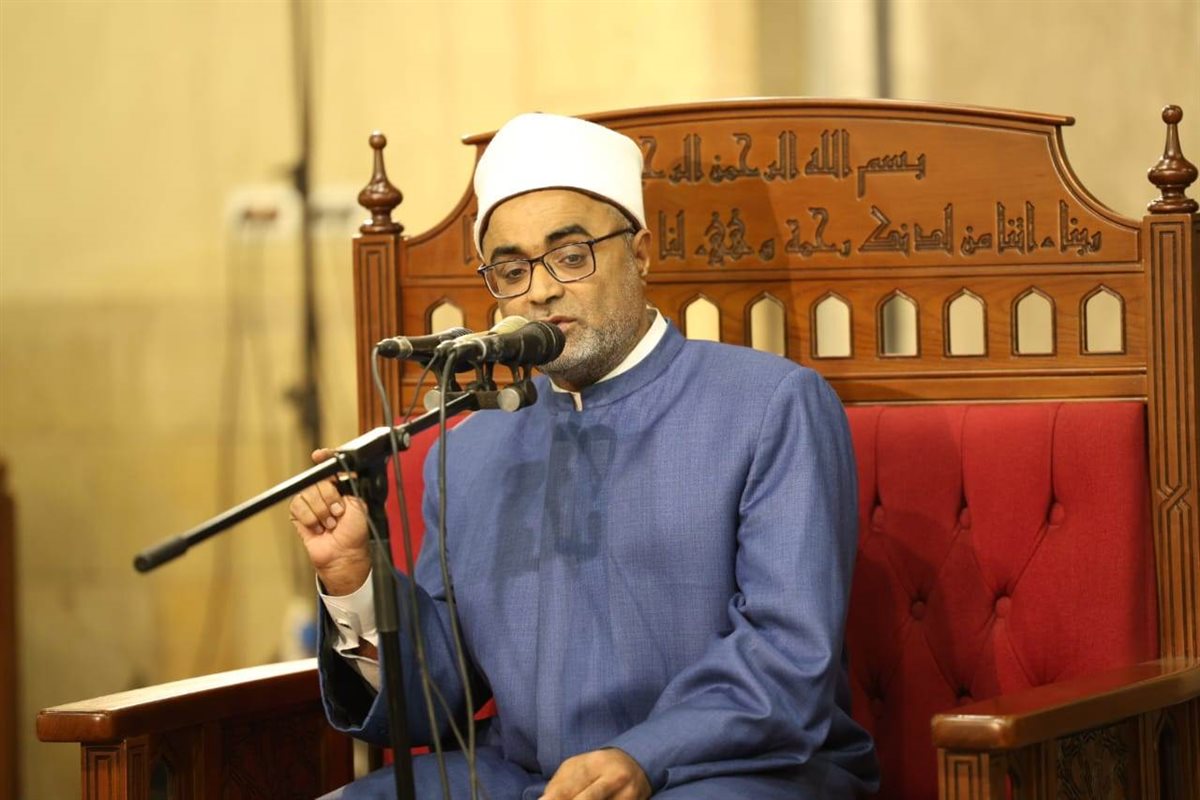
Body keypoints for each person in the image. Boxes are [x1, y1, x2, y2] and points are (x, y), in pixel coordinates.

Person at [289, 112, 879, 799]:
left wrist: (642, 756)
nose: (540, 290)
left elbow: (787, 654)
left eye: (571, 256)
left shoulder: (771, 405)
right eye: (511, 269)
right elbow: (439, 696)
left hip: (733, 770)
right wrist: (354, 578)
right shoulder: (472, 445)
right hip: (525, 777)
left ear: (641, 253)